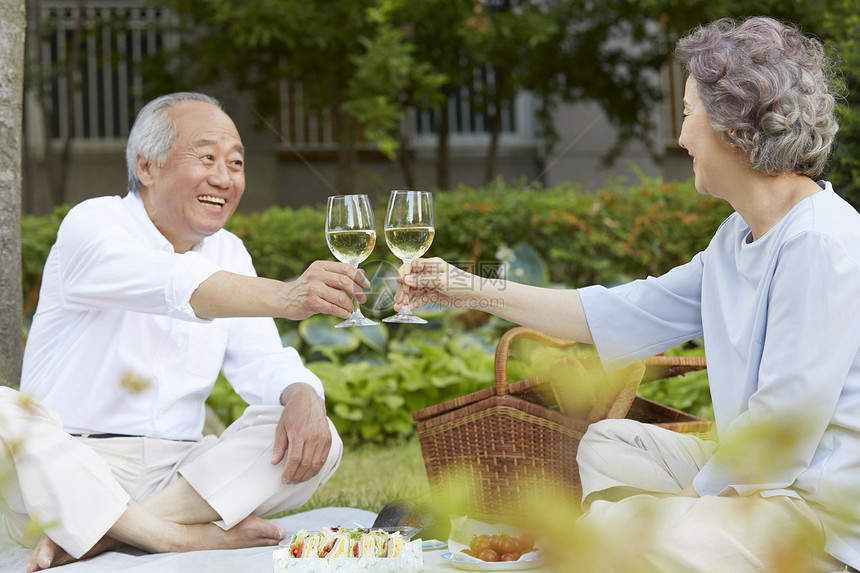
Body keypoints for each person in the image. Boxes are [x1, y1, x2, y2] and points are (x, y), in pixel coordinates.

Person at [398, 17, 860, 572]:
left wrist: (687, 507)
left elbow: (779, 431)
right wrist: (468, 288)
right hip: (758, 491)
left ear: (734, 125)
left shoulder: (820, 242)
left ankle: (657, 546)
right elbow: (620, 313)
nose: (682, 136)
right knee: (611, 444)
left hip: (815, 517)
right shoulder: (737, 237)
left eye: (688, 114)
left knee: (612, 532)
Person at [1, 92, 371, 572]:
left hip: (180, 480)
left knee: (316, 435)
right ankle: (173, 541)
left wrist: (302, 394)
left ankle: (108, 536)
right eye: (207, 157)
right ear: (147, 166)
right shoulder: (92, 224)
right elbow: (175, 283)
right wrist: (288, 296)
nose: (224, 177)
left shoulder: (229, 250)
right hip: (71, 469)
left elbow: (262, 360)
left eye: (236, 162)